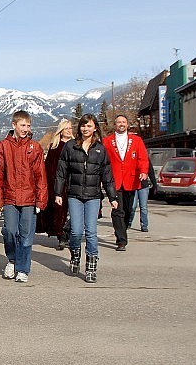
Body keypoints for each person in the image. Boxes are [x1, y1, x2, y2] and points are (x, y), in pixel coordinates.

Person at [55, 114, 118, 283]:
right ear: (79, 128)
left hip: (93, 196)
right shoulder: (70, 147)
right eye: (83, 126)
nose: (85, 129)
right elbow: (61, 172)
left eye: (89, 126)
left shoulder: (100, 149)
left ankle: (91, 267)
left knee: (91, 232)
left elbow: (108, 175)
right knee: (76, 231)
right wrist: (58, 193)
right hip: (75, 195)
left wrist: (113, 196)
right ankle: (75, 255)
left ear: (95, 128)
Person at [0, 110, 48, 283]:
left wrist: (41, 199)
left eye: (28, 125)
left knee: (26, 235)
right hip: (9, 197)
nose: (25, 128)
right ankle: (12, 259)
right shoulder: (2, 146)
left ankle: (23, 268)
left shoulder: (35, 147)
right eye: (22, 125)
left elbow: (40, 175)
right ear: (13, 125)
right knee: (9, 231)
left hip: (29, 198)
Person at [103, 115, 149, 251]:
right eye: (118, 122)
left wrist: (143, 171)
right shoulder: (107, 141)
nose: (121, 124)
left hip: (131, 179)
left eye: (123, 122)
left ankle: (124, 229)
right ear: (115, 125)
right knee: (118, 210)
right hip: (114, 181)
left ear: (127, 125)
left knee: (129, 209)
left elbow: (143, 158)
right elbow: (104, 161)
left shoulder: (136, 140)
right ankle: (121, 240)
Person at [36, 119, 73, 250]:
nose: (69, 130)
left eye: (70, 128)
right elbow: (49, 167)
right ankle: (61, 235)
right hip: (58, 183)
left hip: (74, 182)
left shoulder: (76, 145)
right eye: (66, 128)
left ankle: (69, 233)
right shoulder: (55, 147)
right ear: (61, 131)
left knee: (71, 212)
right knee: (59, 211)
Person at [128, 161, 156, 232]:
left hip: (143, 186)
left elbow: (151, 172)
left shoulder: (146, 159)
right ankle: (128, 221)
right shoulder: (132, 157)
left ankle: (144, 225)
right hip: (133, 185)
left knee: (143, 207)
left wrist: (154, 185)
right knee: (132, 206)